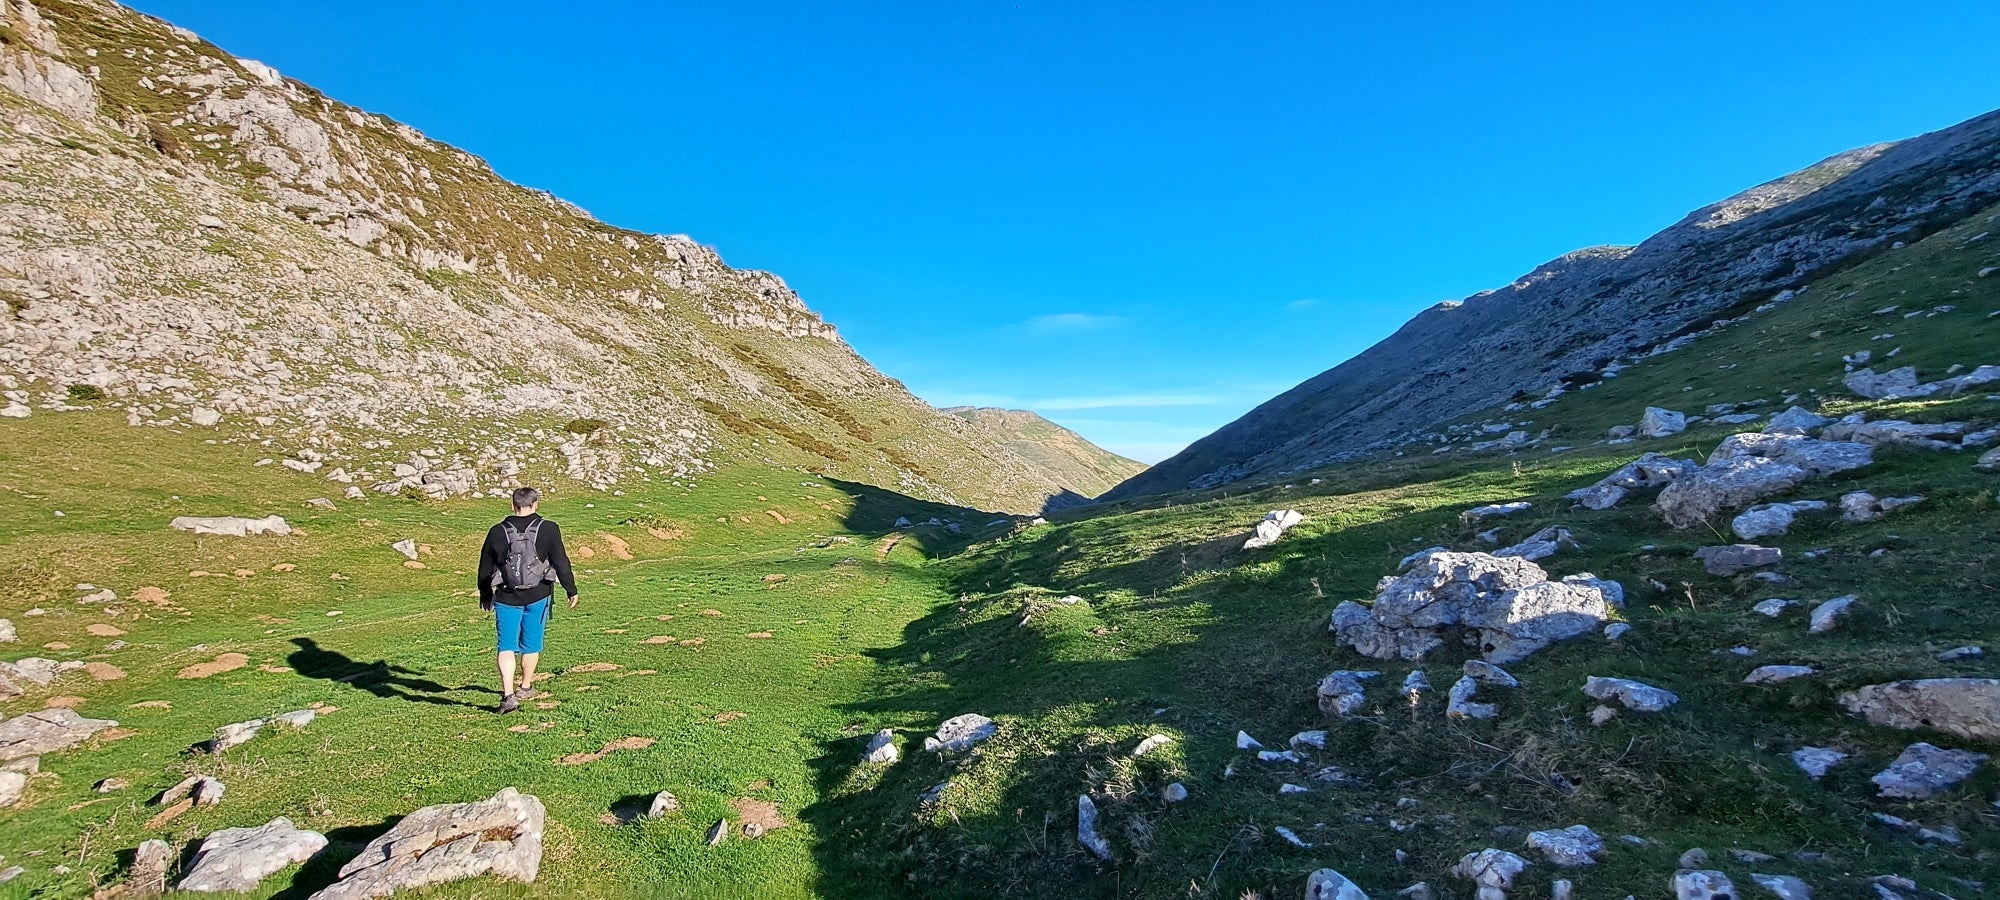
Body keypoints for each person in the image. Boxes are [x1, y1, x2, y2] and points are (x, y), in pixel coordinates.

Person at [477, 486, 578, 714]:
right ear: (536, 504)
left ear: (513, 505)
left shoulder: (497, 531)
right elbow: (561, 561)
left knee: (506, 646)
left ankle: (508, 695)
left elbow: (485, 566)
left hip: (505, 596)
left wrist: (485, 593)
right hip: (538, 595)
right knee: (531, 644)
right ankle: (525, 685)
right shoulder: (549, 529)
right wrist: (571, 589)